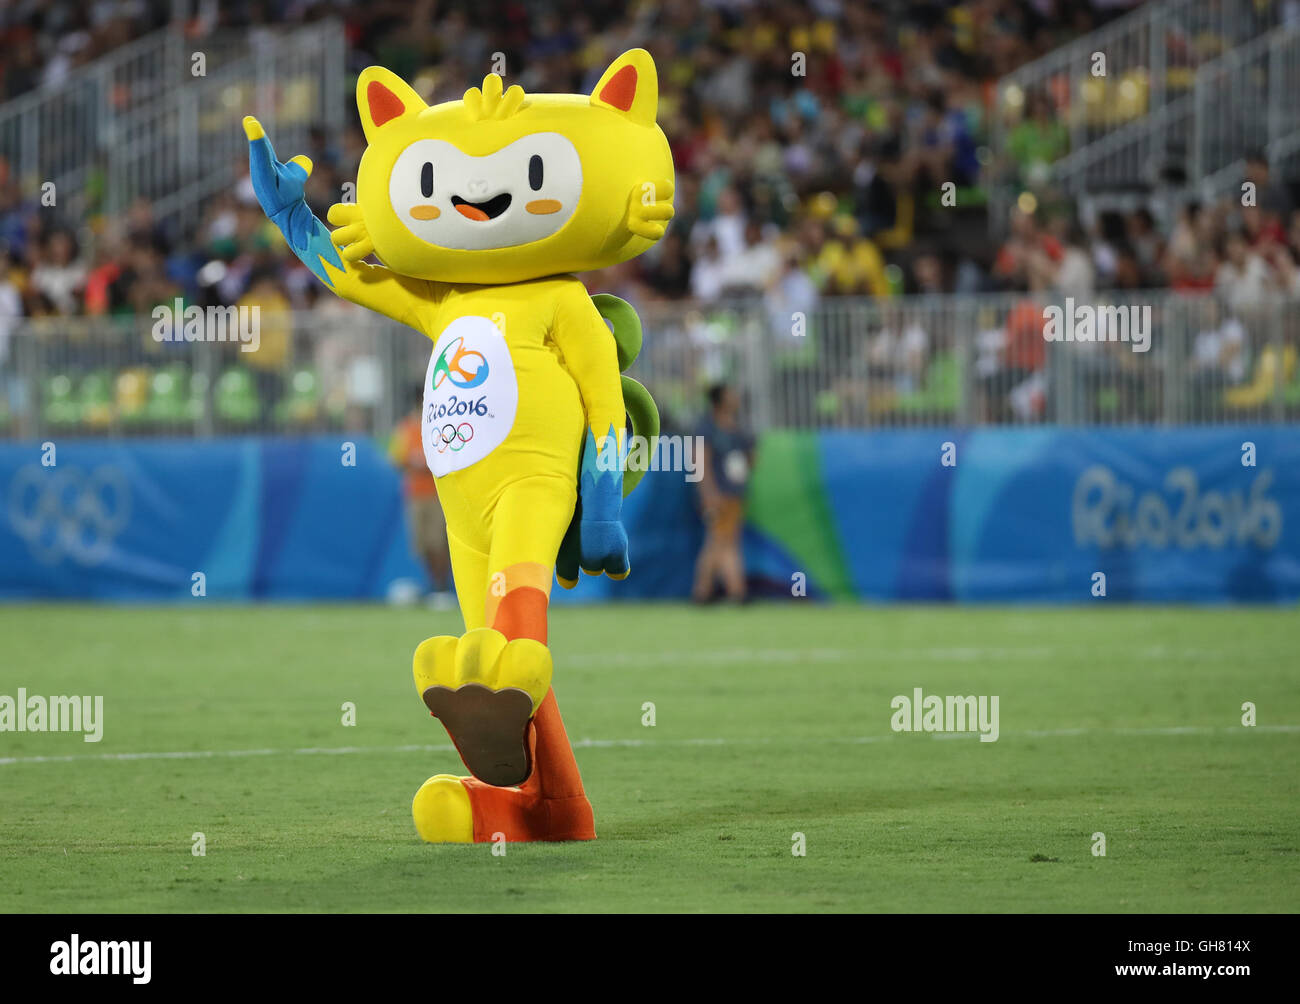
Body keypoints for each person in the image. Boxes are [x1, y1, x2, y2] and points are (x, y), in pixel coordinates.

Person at [389, 386, 453, 606]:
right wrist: (413, 463)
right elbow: (396, 459)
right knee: (422, 544)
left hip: (437, 495)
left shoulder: (438, 424)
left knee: (438, 542)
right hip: (415, 495)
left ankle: (442, 587)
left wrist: (428, 464)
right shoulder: (406, 428)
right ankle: (434, 586)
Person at [693, 382, 754, 603]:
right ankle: (732, 591)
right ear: (720, 400)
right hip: (717, 494)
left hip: (735, 493)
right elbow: (700, 463)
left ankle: (707, 592)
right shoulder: (707, 428)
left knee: (722, 541)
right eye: (731, 394)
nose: (736, 398)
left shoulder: (737, 428)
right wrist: (708, 493)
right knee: (721, 540)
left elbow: (751, 458)